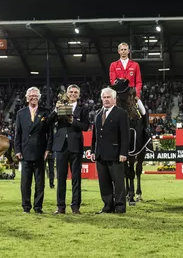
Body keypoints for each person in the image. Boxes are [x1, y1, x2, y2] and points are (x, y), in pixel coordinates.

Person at [48, 84, 90, 215]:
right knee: (60, 177)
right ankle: (60, 207)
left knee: (76, 178)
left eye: (75, 92)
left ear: (79, 94)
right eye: (71, 92)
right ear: (67, 93)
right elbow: (49, 121)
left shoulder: (83, 109)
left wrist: (73, 121)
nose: (73, 94)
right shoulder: (60, 106)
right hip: (61, 146)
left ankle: (75, 207)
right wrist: (55, 110)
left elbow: (85, 126)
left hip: (75, 146)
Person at [91, 87, 129, 214]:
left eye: (108, 97)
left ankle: (120, 207)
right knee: (104, 182)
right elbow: (94, 136)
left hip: (116, 154)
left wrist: (123, 153)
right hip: (100, 154)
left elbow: (125, 135)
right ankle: (107, 206)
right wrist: (93, 151)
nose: (106, 100)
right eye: (104, 97)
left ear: (114, 99)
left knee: (118, 182)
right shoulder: (97, 114)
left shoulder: (121, 113)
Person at [14, 87, 52, 214]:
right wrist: (17, 150)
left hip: (40, 152)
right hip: (25, 152)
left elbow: (50, 133)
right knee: (25, 182)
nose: (33, 97)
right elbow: (17, 134)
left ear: (39, 97)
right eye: (31, 96)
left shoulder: (45, 113)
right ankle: (26, 207)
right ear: (27, 98)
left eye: (36, 96)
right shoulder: (20, 113)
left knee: (40, 182)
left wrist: (48, 149)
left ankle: (38, 207)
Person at [109, 42, 147, 124]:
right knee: (106, 110)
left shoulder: (135, 65)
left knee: (143, 110)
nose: (123, 51)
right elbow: (112, 81)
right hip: (119, 94)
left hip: (131, 93)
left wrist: (137, 95)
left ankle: (146, 131)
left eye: (125, 49)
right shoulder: (113, 65)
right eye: (121, 50)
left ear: (128, 51)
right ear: (118, 51)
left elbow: (139, 81)